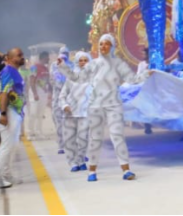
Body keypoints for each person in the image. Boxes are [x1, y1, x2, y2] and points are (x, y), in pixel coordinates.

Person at [59, 34, 148, 181]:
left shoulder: (118, 64)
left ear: (112, 47)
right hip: (96, 105)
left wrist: (146, 74)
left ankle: (126, 170)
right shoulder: (93, 64)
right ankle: (92, 171)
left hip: (114, 105)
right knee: (95, 138)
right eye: (101, 44)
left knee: (117, 136)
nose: (103, 46)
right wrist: (63, 66)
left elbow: (132, 79)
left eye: (106, 44)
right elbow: (77, 78)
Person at [0, 48, 27, 189]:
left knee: (12, 145)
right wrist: (3, 113)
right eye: (19, 55)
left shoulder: (14, 71)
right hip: (8, 111)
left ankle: (7, 175)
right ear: (9, 58)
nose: (22, 57)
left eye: (22, 55)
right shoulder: (8, 71)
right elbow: (4, 93)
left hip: (14, 112)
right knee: (7, 145)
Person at [57, 52, 92, 172]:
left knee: (83, 138)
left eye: (85, 60)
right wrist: (65, 105)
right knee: (70, 139)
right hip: (70, 113)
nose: (83, 62)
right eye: (80, 60)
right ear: (76, 62)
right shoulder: (71, 78)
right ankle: (72, 162)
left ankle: (81, 160)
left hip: (85, 113)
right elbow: (62, 95)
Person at [51, 47, 70, 154]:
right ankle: (61, 144)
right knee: (58, 121)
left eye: (66, 54)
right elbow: (55, 80)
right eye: (63, 54)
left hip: (68, 99)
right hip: (58, 99)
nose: (64, 56)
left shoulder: (71, 65)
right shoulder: (54, 66)